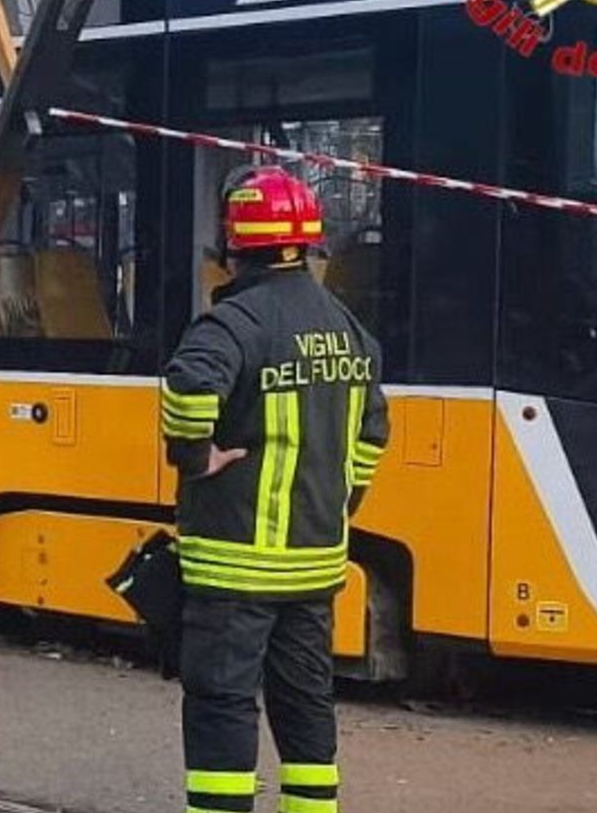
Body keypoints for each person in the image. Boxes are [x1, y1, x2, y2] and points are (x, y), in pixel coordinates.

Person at [161, 166, 390, 813]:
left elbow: (187, 389)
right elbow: (374, 432)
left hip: (236, 563)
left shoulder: (231, 322)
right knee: (305, 701)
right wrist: (341, 503)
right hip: (314, 561)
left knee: (222, 700)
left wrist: (194, 456)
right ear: (308, 243)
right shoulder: (348, 328)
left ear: (237, 245)